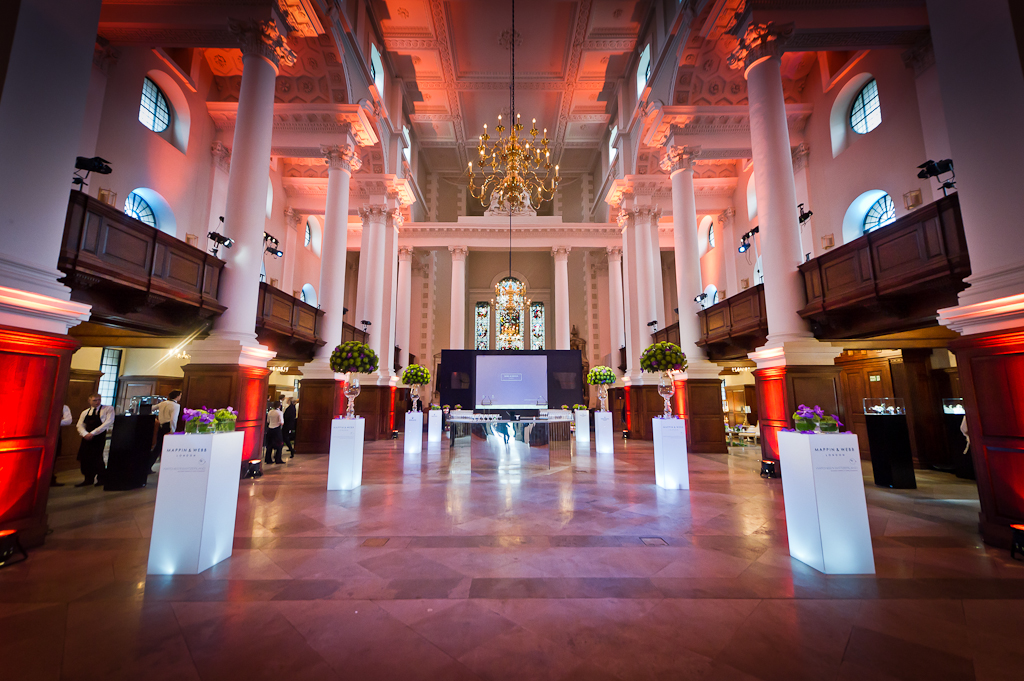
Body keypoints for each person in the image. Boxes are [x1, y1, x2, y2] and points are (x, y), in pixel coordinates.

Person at [75, 393, 114, 487]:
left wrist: (93, 433)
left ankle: (101, 478)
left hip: (99, 437)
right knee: (85, 458)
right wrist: (85, 434)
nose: (97, 402)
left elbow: (107, 422)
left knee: (97, 457)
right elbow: (79, 425)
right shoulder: (85, 412)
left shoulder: (107, 409)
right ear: (89, 401)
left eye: (99, 400)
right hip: (87, 437)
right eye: (94, 400)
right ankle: (88, 478)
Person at [151, 390, 181, 471]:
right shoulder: (176, 405)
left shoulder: (163, 403)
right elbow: (173, 419)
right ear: (177, 396)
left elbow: (151, 408)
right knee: (167, 447)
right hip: (168, 426)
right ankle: (167, 467)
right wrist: (172, 431)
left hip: (160, 426)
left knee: (158, 447)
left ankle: (148, 466)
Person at [51, 404, 73, 487]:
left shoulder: (64, 406)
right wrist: (58, 420)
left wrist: (53, 421)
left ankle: (51, 480)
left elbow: (68, 421)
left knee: (54, 458)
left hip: (56, 437)